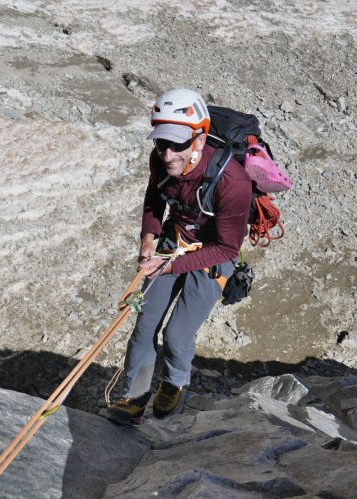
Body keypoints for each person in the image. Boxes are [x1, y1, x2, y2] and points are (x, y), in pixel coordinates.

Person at [108, 88, 253, 425]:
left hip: (212, 257)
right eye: (162, 144)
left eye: (177, 144)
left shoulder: (233, 182)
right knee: (145, 328)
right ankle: (136, 396)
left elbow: (227, 248)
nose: (168, 154)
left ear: (199, 141)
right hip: (171, 245)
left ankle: (175, 383)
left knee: (177, 334)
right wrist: (148, 240)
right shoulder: (160, 161)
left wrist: (170, 263)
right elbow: (154, 200)